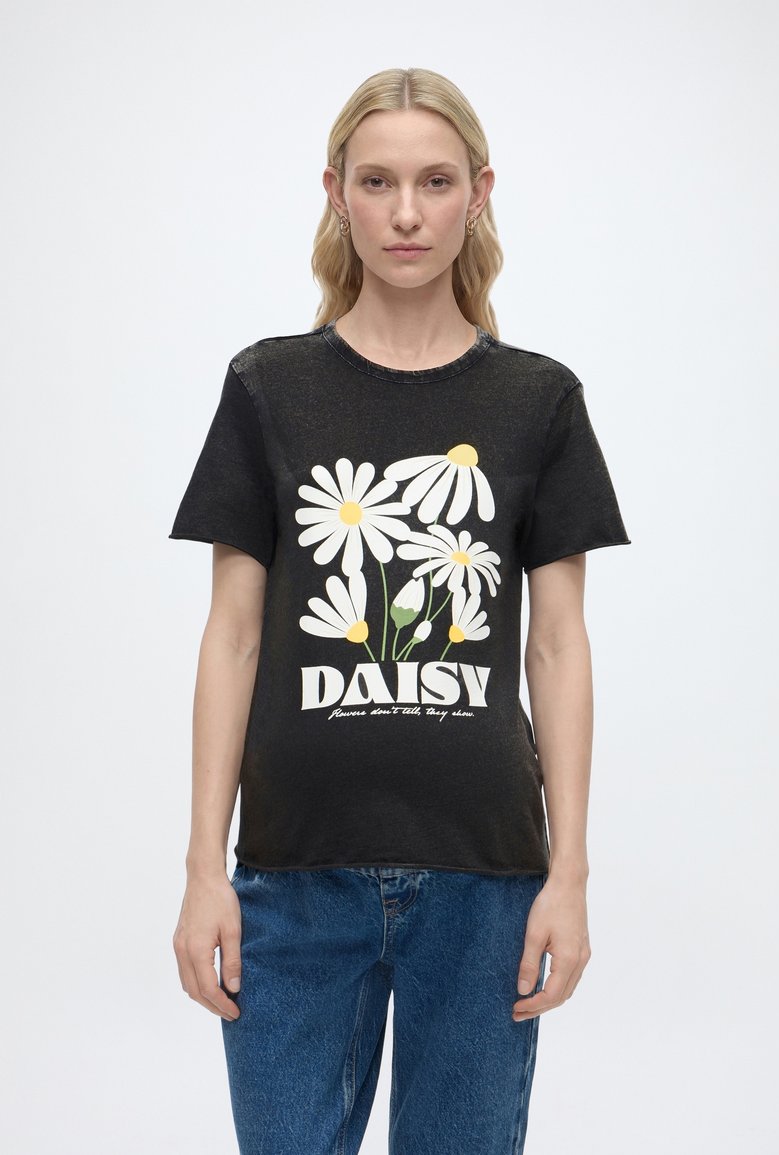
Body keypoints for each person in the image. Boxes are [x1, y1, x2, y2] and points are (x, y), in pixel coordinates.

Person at [168, 66, 631, 1155]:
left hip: (485, 883)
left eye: (435, 181)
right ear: (336, 193)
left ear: (479, 192)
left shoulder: (539, 400)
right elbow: (232, 636)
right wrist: (202, 869)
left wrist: (568, 873)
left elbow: (558, 646)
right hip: (290, 877)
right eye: (377, 182)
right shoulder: (268, 387)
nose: (407, 213)